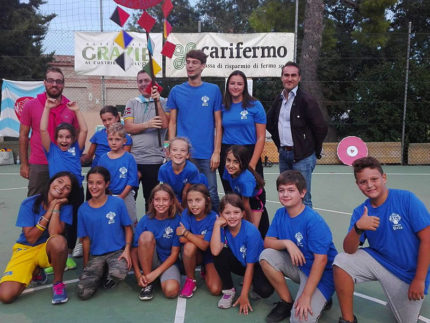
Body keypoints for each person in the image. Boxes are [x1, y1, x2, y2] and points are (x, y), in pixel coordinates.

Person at [333, 157, 430, 323]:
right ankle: (347, 320)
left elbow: (427, 240)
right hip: (380, 262)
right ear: (358, 185)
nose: (369, 185)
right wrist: (358, 228)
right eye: (363, 181)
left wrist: (419, 279)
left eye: (374, 179)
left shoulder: (406, 199)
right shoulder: (361, 212)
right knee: (341, 261)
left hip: (408, 274)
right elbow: (349, 250)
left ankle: (399, 300)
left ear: (384, 178)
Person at [259, 170, 337, 323]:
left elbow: (321, 261)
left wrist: (306, 296)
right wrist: (287, 243)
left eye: (291, 190)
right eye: (281, 190)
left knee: (299, 319)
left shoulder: (313, 221)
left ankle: (322, 298)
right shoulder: (281, 214)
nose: (285, 194)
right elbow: (267, 242)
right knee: (266, 256)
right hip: (300, 265)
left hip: (321, 274)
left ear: (302, 193)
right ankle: (287, 302)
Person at [0, 171, 80, 305]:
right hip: (25, 249)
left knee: (59, 242)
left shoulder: (66, 207)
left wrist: (57, 206)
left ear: (69, 193)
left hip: (46, 248)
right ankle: (36, 272)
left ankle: (58, 284)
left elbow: (54, 234)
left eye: (67, 187)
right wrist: (50, 209)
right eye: (59, 181)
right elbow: (31, 238)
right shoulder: (29, 203)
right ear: (51, 182)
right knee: (6, 296)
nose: (61, 187)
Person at [266, 61, 327, 208]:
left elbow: (321, 127)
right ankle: (291, 230)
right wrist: (279, 144)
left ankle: (306, 231)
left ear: (299, 78)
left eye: (293, 75)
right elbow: (269, 123)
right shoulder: (279, 99)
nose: (289, 78)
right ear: (281, 77)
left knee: (303, 198)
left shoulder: (306, 100)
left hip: (303, 157)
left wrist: (314, 150)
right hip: (284, 155)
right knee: (286, 197)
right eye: (286, 75)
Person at [167, 49, 222, 211]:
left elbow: (218, 123)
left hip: (206, 153)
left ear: (203, 66)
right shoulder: (176, 91)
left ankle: (215, 229)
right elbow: (172, 122)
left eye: (194, 63)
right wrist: (170, 149)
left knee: (210, 193)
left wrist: (217, 151)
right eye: (188, 62)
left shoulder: (213, 90)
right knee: (183, 194)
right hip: (183, 155)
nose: (190, 66)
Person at [40, 99, 88, 272]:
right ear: (56, 138)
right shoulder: (51, 150)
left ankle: (67, 255)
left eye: (68, 137)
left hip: (74, 192)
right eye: (61, 136)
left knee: (72, 223)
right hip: (57, 193)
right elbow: (43, 129)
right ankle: (53, 255)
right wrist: (46, 108)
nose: (64, 140)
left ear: (72, 139)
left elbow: (84, 129)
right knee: (55, 222)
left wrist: (76, 110)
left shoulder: (76, 149)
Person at [19, 67, 79, 197]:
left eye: (58, 81)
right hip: (40, 163)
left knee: (63, 203)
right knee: (36, 201)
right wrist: (24, 164)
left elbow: (78, 135)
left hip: (64, 163)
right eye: (51, 80)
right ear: (44, 82)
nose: (54, 84)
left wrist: (73, 157)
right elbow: (23, 135)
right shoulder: (31, 105)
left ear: (63, 84)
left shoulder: (71, 107)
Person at [210, 193, 273, 314]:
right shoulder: (222, 227)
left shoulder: (251, 232)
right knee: (219, 253)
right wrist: (217, 225)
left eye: (236, 212)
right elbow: (214, 251)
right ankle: (229, 290)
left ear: (243, 213)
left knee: (265, 290)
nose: (232, 217)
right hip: (240, 262)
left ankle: (252, 284)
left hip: (255, 265)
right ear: (221, 214)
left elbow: (250, 266)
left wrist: (244, 295)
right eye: (227, 213)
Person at [77, 167, 133, 300]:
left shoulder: (117, 203)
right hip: (96, 256)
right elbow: (85, 240)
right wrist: (86, 265)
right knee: (83, 294)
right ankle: (101, 271)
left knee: (118, 273)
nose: (94, 187)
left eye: (99, 183)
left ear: (106, 184)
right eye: (91, 183)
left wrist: (127, 250)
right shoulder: (83, 209)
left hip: (117, 252)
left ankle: (108, 272)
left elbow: (128, 229)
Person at [124, 70, 169, 212]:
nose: (143, 84)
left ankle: (149, 230)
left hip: (154, 160)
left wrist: (156, 100)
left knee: (151, 200)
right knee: (129, 198)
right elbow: (128, 127)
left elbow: (164, 124)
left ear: (154, 83)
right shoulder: (132, 102)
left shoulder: (164, 102)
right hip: (134, 160)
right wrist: (147, 124)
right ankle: (130, 228)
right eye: (140, 81)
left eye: (146, 80)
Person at [131, 184, 181, 301]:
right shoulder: (145, 220)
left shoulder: (177, 221)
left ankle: (153, 277)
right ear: (152, 201)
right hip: (149, 263)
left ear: (171, 201)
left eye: (165, 200)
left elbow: (174, 255)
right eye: (157, 199)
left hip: (167, 263)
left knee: (171, 291)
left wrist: (156, 273)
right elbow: (134, 250)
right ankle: (148, 284)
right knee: (146, 236)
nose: (161, 203)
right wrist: (138, 275)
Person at [219, 70, 266, 193]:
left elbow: (261, 137)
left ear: (244, 86)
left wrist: (252, 163)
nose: (235, 87)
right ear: (227, 85)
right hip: (227, 152)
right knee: (231, 195)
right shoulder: (222, 106)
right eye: (232, 83)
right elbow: (219, 132)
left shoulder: (255, 105)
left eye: (239, 84)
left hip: (248, 152)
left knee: (254, 195)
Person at [176, 184, 222, 298]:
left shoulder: (213, 217)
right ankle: (191, 280)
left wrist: (187, 233)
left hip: (209, 254)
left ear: (207, 200)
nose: (193, 205)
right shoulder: (186, 214)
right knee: (189, 246)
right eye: (190, 201)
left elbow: (204, 246)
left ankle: (205, 270)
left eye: (198, 200)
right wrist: (203, 236)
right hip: (193, 254)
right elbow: (181, 238)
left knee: (216, 290)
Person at [96, 123, 138, 225]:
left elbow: (132, 180)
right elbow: (100, 179)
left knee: (130, 222)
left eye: (117, 139)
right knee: (110, 221)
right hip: (108, 196)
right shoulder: (103, 159)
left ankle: (131, 240)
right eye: (111, 139)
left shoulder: (129, 158)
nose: (114, 142)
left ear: (124, 141)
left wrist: (121, 196)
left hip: (126, 196)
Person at [222, 145, 269, 237]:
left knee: (252, 230)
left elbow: (246, 204)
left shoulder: (245, 179)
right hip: (241, 194)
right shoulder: (227, 170)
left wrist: (250, 223)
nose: (230, 165)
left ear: (243, 163)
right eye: (228, 160)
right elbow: (233, 187)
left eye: (236, 162)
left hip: (255, 198)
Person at [158, 137, 201, 208]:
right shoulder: (163, 169)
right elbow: (167, 191)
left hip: (188, 198)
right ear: (168, 153)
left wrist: (182, 211)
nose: (178, 153)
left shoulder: (192, 169)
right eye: (174, 150)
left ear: (188, 155)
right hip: (172, 197)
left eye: (183, 150)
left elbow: (186, 193)